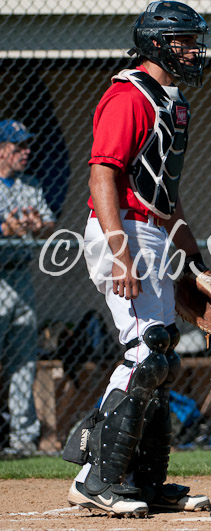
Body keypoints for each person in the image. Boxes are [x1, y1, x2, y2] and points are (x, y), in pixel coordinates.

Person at [64, 1, 211, 517]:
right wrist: (120, 253)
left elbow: (165, 194)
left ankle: (146, 482)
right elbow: (102, 176)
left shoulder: (173, 103)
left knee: (162, 358)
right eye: (182, 41)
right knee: (145, 352)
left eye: (193, 41)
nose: (192, 50)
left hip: (151, 231)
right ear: (154, 44)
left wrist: (191, 257)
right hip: (121, 230)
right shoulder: (129, 97)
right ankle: (96, 478)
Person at [0, 119, 55, 456]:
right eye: (18, 146)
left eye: (27, 145)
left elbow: (49, 224)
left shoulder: (29, 184)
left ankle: (22, 438)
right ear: (1, 149)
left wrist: (38, 225)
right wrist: (4, 229)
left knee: (23, 361)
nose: (26, 151)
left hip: (21, 276)